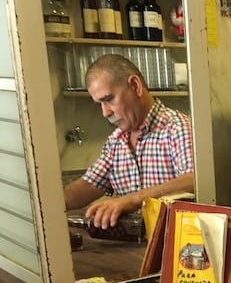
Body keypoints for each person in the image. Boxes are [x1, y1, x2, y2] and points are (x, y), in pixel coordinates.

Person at [64, 54, 194, 230]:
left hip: (174, 246)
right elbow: (89, 184)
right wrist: (50, 204)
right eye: (99, 104)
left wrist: (132, 200)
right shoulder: (116, 141)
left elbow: (193, 180)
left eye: (109, 100)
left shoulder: (177, 128)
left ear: (135, 86)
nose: (105, 113)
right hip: (133, 246)